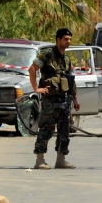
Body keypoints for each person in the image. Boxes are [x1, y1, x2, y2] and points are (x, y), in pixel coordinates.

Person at [28, 28, 80, 170]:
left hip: (64, 99)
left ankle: (61, 159)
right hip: (50, 100)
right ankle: (40, 160)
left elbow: (70, 81)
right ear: (58, 40)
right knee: (46, 129)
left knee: (64, 130)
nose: (68, 41)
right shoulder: (47, 55)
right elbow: (32, 70)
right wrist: (36, 89)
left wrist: (75, 99)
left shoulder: (67, 59)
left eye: (70, 39)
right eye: (65, 39)